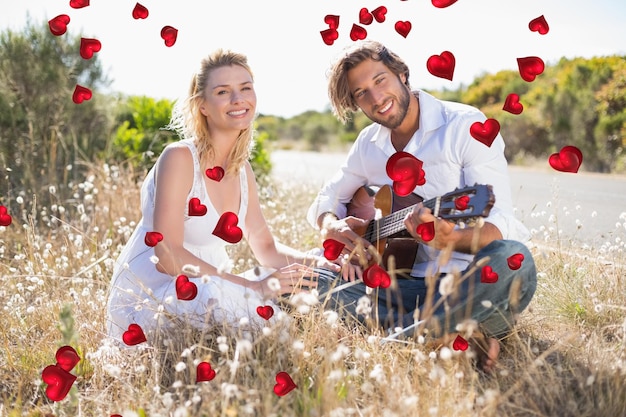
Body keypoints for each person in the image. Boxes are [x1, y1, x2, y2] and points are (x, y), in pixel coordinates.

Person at [307, 40, 537, 372]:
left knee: (515, 260)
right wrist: (333, 225)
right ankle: (460, 331)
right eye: (361, 93)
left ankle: (403, 340)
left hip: (466, 281)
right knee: (307, 279)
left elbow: (501, 220)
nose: (375, 97)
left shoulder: (464, 125)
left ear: (402, 73)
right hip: (402, 286)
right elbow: (327, 198)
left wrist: (451, 240)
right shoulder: (367, 145)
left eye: (380, 80)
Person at [106, 49, 339, 344]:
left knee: (291, 279)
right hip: (160, 295)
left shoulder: (242, 172)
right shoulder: (179, 158)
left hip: (214, 288)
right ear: (202, 105)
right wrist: (252, 288)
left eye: (245, 88)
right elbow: (167, 255)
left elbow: (265, 247)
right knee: (239, 298)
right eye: (222, 91)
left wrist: (314, 262)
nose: (238, 99)